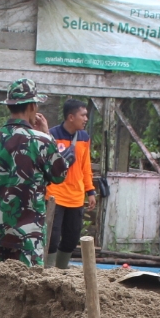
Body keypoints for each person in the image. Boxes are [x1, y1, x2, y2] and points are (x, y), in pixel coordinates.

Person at [0, 77, 71, 266]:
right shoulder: (42, 141)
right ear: (33, 106)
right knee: (28, 288)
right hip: (29, 235)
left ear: (9, 106)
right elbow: (59, 175)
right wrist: (47, 134)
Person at [45, 98, 94, 269]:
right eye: (83, 115)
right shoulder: (51, 135)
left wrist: (91, 191)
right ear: (71, 117)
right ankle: (49, 271)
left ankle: (61, 270)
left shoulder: (84, 138)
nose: (86, 118)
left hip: (76, 197)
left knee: (71, 238)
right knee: (52, 237)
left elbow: (85, 166)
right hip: (54, 195)